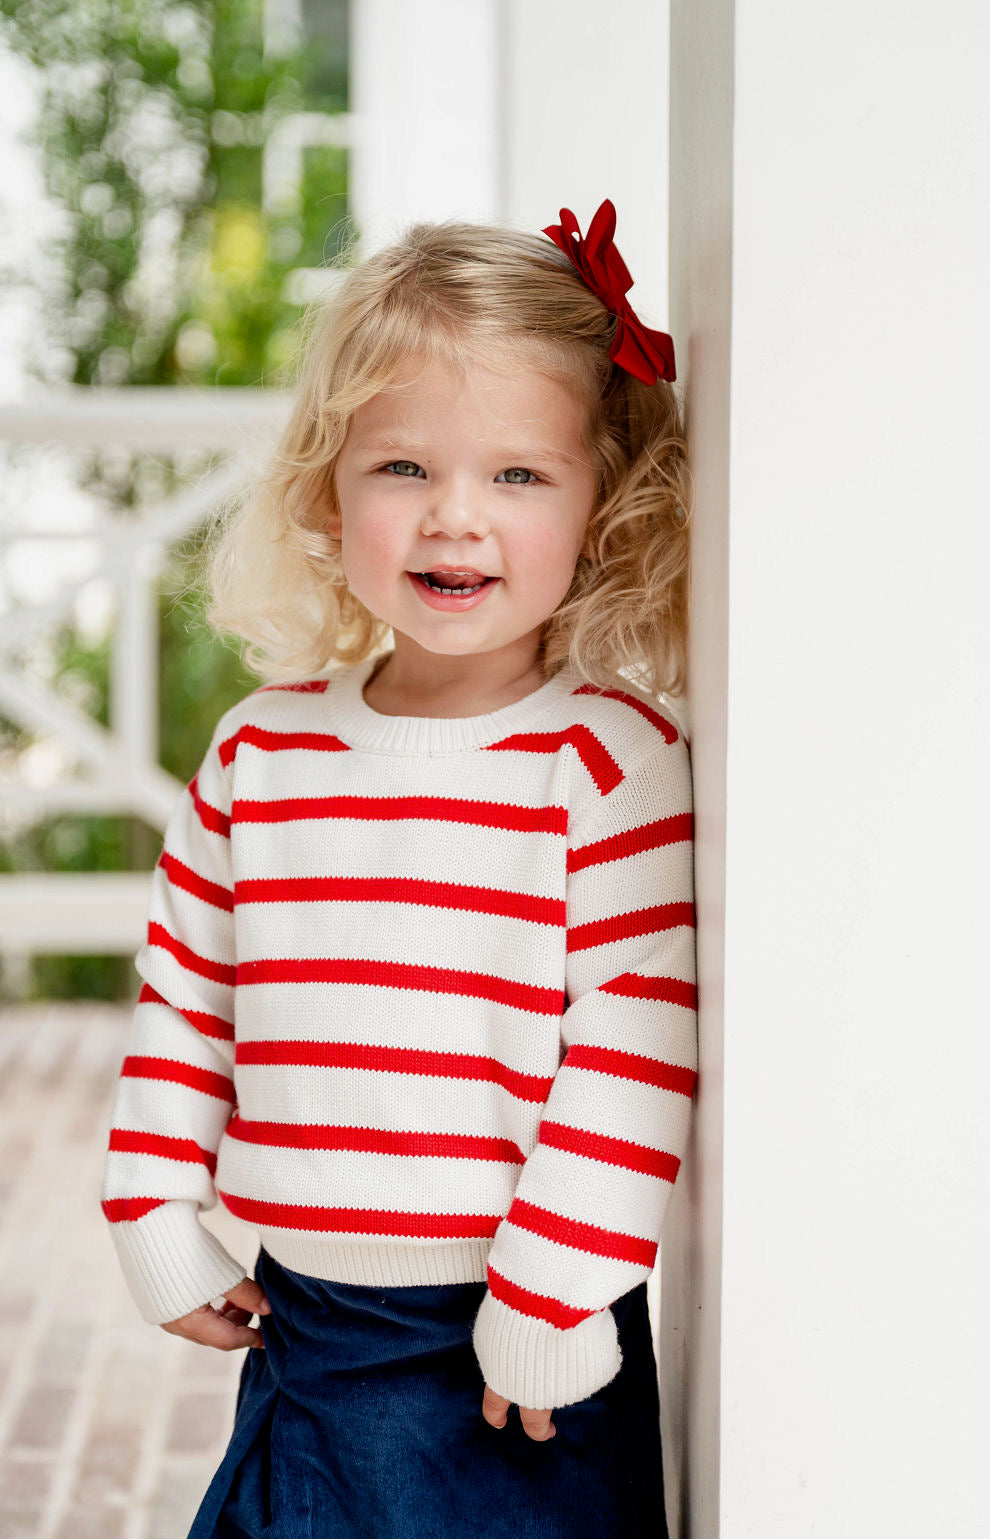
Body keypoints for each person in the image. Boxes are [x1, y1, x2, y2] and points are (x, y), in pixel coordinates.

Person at [100, 197, 697, 1538]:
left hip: (514, 1348)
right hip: (304, 1332)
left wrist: (556, 1291)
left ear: (606, 500)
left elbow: (636, 1041)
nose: (456, 523)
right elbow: (188, 996)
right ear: (328, 485)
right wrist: (149, 1201)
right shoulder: (265, 750)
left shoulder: (605, 761)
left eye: (519, 476)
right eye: (405, 471)